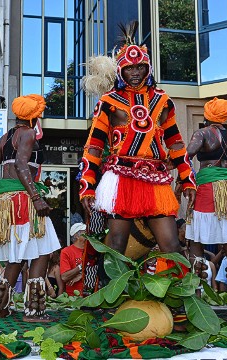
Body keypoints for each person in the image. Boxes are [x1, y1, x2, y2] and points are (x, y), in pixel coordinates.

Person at [78, 22, 196, 263]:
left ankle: (178, 300)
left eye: (140, 67)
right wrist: (87, 185)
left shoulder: (163, 100)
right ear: (121, 71)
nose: (135, 73)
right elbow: (94, 146)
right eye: (130, 68)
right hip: (121, 177)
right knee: (117, 245)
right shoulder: (109, 101)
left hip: (156, 180)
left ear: (148, 69)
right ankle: (113, 298)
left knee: (171, 245)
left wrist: (187, 180)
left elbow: (175, 144)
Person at [0, 94, 61, 322]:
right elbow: (21, 165)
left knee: (16, 257)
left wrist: (3, 189)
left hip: (6, 201)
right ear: (34, 116)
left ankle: (0, 306)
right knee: (42, 251)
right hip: (25, 201)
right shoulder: (28, 133)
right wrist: (36, 197)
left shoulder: (5, 137)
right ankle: (34, 310)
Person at [185, 97, 227, 313]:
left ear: (207, 116)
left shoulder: (202, 134)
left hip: (208, 189)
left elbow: (186, 156)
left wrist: (184, 180)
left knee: (195, 240)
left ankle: (197, 299)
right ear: (226, 118)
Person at [60, 223, 88, 297]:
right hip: (73, 296)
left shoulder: (92, 250)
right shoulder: (66, 251)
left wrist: (81, 275)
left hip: (90, 294)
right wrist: (80, 267)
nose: (88, 234)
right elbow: (64, 277)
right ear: (76, 236)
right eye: (85, 232)